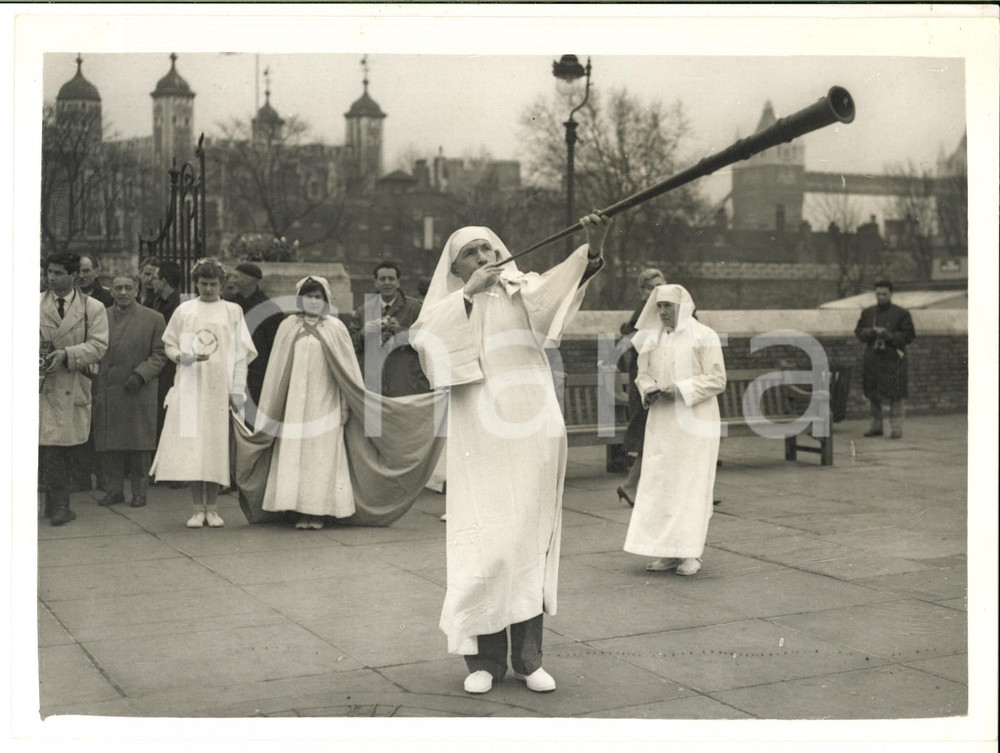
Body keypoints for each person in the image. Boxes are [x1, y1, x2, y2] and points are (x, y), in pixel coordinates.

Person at [410, 213, 611, 696]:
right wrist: (468, 295)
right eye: (471, 254)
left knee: (527, 540)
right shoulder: (448, 304)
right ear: (455, 267)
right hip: (480, 435)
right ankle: (483, 661)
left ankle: (528, 659)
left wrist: (594, 246)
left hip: (531, 430)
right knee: (485, 544)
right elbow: (426, 343)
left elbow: (561, 287)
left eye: (489, 250)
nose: (484, 259)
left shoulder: (524, 289)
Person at [623, 284, 726, 577]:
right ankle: (666, 552)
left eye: (669, 306)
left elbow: (717, 379)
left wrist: (679, 389)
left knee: (691, 483)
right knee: (662, 483)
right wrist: (650, 389)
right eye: (660, 306)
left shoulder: (704, 336)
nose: (663, 311)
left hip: (696, 420)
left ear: (684, 306)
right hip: (662, 421)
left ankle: (690, 552)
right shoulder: (652, 338)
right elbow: (642, 375)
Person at [150, 258, 257, 528]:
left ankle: (214, 507)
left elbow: (241, 355)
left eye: (213, 284)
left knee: (214, 446)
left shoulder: (232, 311)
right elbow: (170, 345)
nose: (208, 288)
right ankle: (198, 508)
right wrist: (183, 357)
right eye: (203, 283)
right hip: (189, 387)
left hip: (218, 388)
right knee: (193, 448)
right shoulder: (185, 310)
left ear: (221, 284)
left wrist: (236, 390)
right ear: (196, 283)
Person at [257, 277, 358, 529]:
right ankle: (298, 509)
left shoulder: (335, 327)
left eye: (318, 297)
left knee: (321, 455)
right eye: (308, 296)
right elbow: (277, 369)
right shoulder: (288, 326)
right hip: (294, 404)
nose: (313, 301)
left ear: (325, 300)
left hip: (325, 401)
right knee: (295, 454)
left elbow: (348, 370)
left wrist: (345, 404)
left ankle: (319, 511)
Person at [39, 251, 109, 526]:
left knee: (62, 445)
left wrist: (68, 354)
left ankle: (57, 503)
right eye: (49, 272)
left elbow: (99, 346)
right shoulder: (33, 304)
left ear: (73, 275)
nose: (51, 278)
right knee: (49, 444)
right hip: (42, 384)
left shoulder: (93, 308)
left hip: (72, 382)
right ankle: (58, 505)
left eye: (58, 273)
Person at [92, 276, 167, 508]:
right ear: (111, 291)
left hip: (138, 390)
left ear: (136, 290)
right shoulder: (100, 316)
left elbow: (160, 354)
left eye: (128, 288)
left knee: (139, 445)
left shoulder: (154, 318)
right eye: (118, 288)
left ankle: (139, 492)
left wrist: (140, 375)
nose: (123, 292)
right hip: (107, 388)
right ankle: (114, 490)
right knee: (110, 444)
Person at [614, 267, 667, 506]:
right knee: (652, 436)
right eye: (652, 287)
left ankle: (632, 487)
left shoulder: (659, 309)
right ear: (644, 292)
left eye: (660, 284)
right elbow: (636, 343)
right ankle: (630, 486)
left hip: (657, 376)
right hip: (646, 379)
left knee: (657, 437)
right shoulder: (645, 312)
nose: (657, 290)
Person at [351, 261, 429, 397]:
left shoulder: (415, 308)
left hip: (406, 381)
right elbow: (349, 345)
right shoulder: (363, 311)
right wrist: (363, 334)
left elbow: (429, 341)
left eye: (391, 279)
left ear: (398, 282)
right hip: (375, 382)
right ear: (375, 282)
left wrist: (401, 332)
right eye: (382, 279)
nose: (387, 283)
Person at [854, 280, 916, 439]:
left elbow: (909, 336)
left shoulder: (902, 314)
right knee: (873, 394)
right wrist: (870, 332)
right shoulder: (867, 313)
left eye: (884, 294)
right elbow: (858, 332)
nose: (881, 297)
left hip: (893, 360)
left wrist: (889, 336)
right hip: (873, 359)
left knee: (896, 395)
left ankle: (896, 429)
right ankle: (876, 427)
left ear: (891, 294)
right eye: (878, 294)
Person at [230, 262, 283, 429]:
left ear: (249, 280)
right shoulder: (231, 305)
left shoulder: (270, 309)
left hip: (258, 375)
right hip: (234, 371)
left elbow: (276, 346)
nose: (232, 281)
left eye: (236, 277)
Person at [147, 261, 182, 441]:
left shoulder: (178, 307)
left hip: (169, 368)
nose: (151, 282)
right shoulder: (156, 301)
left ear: (165, 281)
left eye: (155, 278)